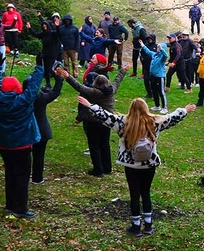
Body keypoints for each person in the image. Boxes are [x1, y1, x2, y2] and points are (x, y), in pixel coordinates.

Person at [82, 95, 194, 237]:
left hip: (131, 165)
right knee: (145, 193)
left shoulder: (123, 123)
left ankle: (136, 226)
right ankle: (148, 225)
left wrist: (90, 105)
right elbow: (172, 117)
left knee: (134, 195)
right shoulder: (155, 122)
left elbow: (105, 116)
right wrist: (185, 110)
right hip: (149, 164)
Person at [0, 52, 45, 218]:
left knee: (10, 173)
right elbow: (34, 86)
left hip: (4, 145)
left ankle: (10, 204)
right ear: (17, 88)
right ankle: (20, 209)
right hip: (22, 145)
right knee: (21, 176)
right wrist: (40, 66)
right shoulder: (23, 100)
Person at [58, 64, 128, 177]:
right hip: (107, 121)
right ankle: (107, 168)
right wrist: (123, 70)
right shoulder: (112, 90)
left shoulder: (94, 92)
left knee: (94, 146)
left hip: (93, 122)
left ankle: (98, 170)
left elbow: (79, 87)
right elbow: (117, 80)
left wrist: (68, 77)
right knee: (105, 144)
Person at [31, 55, 63, 185]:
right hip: (41, 130)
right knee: (39, 156)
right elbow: (55, 92)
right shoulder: (40, 99)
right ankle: (37, 178)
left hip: (25, 130)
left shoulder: (20, 98)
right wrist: (58, 78)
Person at [140, 37, 169, 112]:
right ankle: (157, 106)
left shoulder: (163, 57)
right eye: (157, 47)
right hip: (152, 76)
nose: (157, 48)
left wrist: (161, 49)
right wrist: (142, 45)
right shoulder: (154, 54)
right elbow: (148, 51)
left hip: (160, 77)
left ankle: (164, 108)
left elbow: (166, 56)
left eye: (159, 47)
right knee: (154, 91)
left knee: (161, 92)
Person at [34, 15, 63, 88]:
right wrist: (29, 28)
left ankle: (59, 78)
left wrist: (57, 26)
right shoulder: (43, 34)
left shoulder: (52, 33)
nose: (44, 27)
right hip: (45, 54)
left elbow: (59, 34)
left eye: (45, 25)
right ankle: (48, 84)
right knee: (46, 70)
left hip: (52, 54)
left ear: (48, 26)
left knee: (49, 69)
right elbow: (36, 35)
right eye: (43, 26)